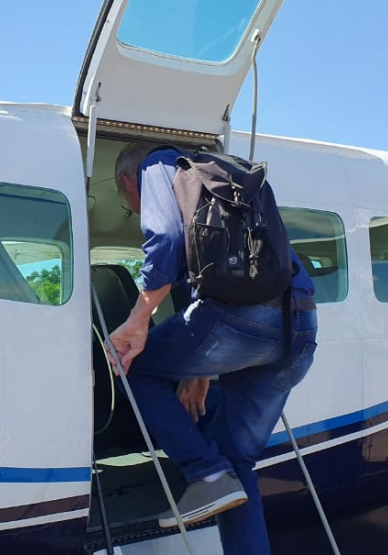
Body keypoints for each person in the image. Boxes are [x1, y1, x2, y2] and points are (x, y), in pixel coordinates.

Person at [108, 143, 318, 555]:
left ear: (125, 183)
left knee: (132, 366)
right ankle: (216, 475)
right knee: (236, 464)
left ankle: (203, 471)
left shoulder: (156, 166)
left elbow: (166, 238)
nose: (137, 211)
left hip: (239, 321)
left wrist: (137, 321)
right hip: (300, 324)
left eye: (131, 205)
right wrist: (197, 371)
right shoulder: (218, 177)